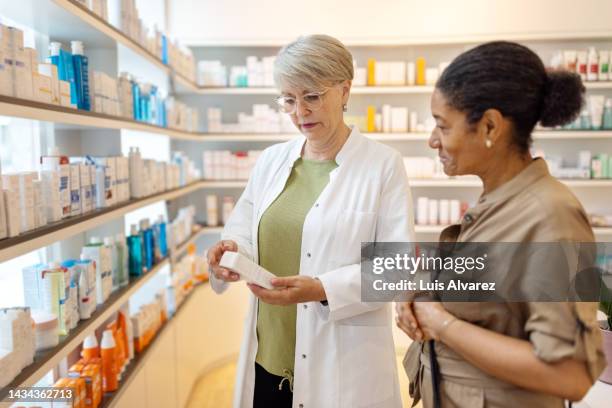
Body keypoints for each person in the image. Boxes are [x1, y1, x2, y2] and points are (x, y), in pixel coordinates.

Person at [396, 41, 607, 407]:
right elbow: (496, 303)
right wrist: (422, 296)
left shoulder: (549, 214)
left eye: (443, 126)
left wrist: (442, 324)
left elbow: (569, 374)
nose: (433, 140)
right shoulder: (497, 203)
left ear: (490, 125)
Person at [207, 34, 414, 408]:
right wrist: (232, 251)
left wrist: (321, 288)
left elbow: (395, 269)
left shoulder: (382, 165)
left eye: (312, 97)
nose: (300, 111)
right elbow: (245, 228)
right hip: (269, 358)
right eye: (288, 99)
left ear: (345, 90)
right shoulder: (272, 161)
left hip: (343, 370)